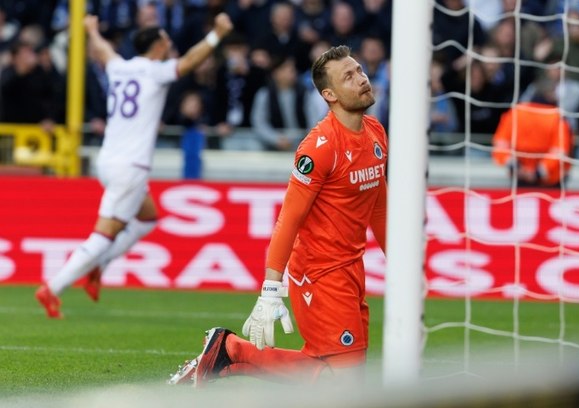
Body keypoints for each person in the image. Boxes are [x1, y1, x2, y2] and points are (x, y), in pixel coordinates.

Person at [168, 45, 387, 386]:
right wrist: (271, 289)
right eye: (349, 76)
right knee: (342, 383)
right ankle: (231, 349)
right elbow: (289, 218)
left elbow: (378, 205)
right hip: (319, 271)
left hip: (352, 267)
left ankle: (226, 353)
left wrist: (401, 264)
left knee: (334, 376)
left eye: (359, 70)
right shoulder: (320, 148)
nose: (361, 79)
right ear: (328, 94)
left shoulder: (376, 133)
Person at [34, 12, 234, 318]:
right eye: (166, 39)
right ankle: (54, 287)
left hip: (110, 160)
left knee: (147, 219)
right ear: (157, 46)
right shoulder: (155, 71)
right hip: (130, 166)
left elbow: (102, 50)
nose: (170, 43)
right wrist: (216, 35)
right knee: (104, 234)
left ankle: (98, 267)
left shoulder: (120, 68)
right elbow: (191, 62)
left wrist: (91, 30)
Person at [492, 78, 574, 188]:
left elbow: (500, 144)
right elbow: (560, 151)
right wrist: (538, 172)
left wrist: (515, 166)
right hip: (550, 181)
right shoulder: (557, 117)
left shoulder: (515, 112)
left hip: (519, 178)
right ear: (550, 94)